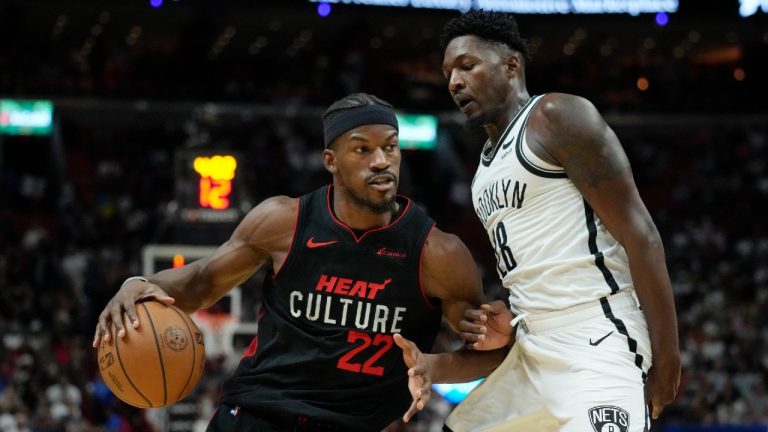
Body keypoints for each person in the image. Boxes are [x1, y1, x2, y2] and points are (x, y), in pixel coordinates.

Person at [92, 92, 507, 432]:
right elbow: (201, 281)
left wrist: (433, 366)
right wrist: (139, 283)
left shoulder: (438, 253)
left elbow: (489, 351)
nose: (381, 160)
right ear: (331, 161)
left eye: (390, 147)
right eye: (362, 149)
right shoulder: (283, 222)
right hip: (256, 415)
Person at [399, 10, 682, 432]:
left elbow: (641, 236)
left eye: (467, 66)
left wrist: (669, 360)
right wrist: (507, 321)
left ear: (511, 65)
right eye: (448, 72)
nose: (454, 82)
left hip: (597, 339)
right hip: (532, 347)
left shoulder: (556, 116)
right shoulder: (482, 172)